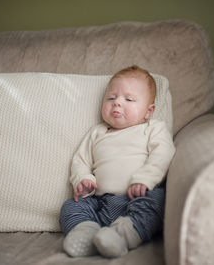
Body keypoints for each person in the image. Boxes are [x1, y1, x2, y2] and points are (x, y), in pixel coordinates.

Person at [59, 65, 176, 258]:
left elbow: (163, 153)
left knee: (158, 201)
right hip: (99, 202)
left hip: (137, 198)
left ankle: (120, 237)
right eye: (111, 98)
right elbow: (80, 160)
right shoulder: (97, 132)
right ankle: (86, 234)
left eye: (128, 99)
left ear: (149, 111)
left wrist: (145, 179)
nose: (117, 103)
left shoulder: (153, 128)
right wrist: (83, 179)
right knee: (71, 206)